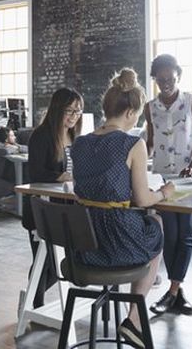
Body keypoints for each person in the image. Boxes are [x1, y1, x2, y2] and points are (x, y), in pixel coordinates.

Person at [71, 68, 174, 348]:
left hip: (83, 248)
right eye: (138, 116)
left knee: (146, 229)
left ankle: (138, 306)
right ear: (130, 112)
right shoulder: (133, 143)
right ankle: (133, 318)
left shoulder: (79, 143)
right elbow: (142, 199)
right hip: (116, 243)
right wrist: (164, 192)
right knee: (156, 226)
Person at [143, 54, 192, 316]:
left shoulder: (191, 101)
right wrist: (134, 159)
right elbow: (149, 142)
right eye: (160, 80)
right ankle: (175, 292)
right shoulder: (149, 107)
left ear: (179, 76)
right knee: (171, 234)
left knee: (186, 234)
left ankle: (174, 290)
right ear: (154, 79)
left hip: (188, 177)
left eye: (170, 79)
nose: (166, 84)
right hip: (161, 178)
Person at [24, 88, 84, 309]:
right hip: (41, 209)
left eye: (78, 112)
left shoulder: (74, 136)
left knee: (60, 263)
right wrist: (62, 176)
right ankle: (33, 305)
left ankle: (30, 299)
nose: (73, 117)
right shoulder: (41, 136)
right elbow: (36, 173)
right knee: (45, 262)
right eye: (69, 111)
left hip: (65, 208)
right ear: (57, 109)